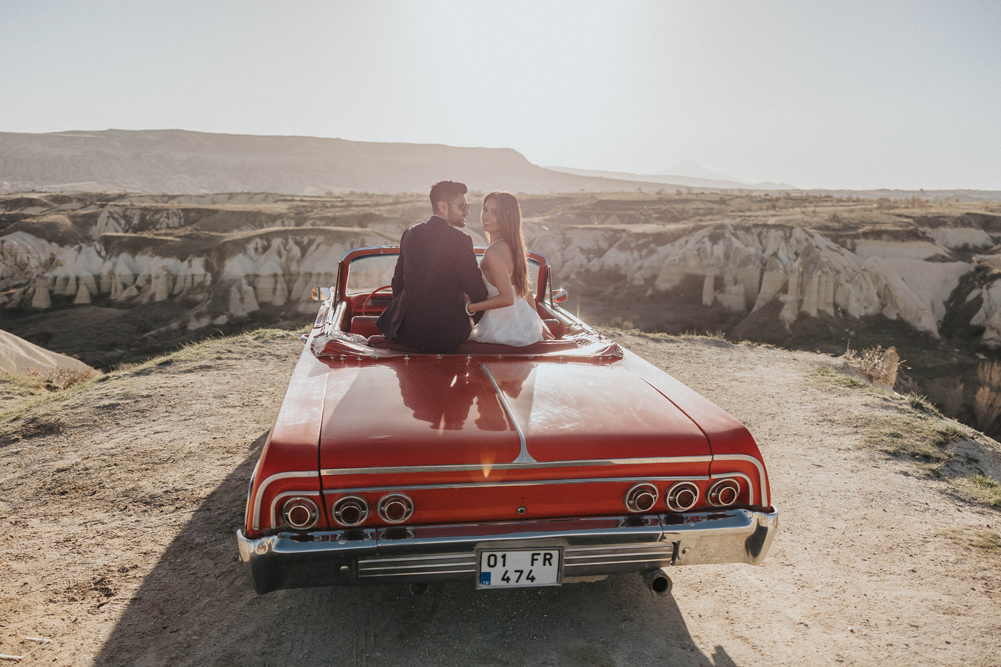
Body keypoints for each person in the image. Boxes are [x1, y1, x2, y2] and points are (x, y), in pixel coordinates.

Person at [375, 180, 489, 353]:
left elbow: (398, 282)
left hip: (407, 332)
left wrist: (407, 317)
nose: (467, 212)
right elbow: (477, 291)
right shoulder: (460, 240)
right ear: (442, 207)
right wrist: (479, 320)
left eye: (467, 206)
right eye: (462, 206)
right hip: (448, 336)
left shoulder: (410, 233)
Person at [465, 191, 546, 346]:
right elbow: (525, 288)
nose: (485, 216)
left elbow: (507, 298)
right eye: (485, 210)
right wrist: (537, 322)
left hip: (502, 328)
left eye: (494, 213)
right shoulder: (514, 248)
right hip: (524, 322)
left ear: (507, 217)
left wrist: (470, 307)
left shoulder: (494, 252)